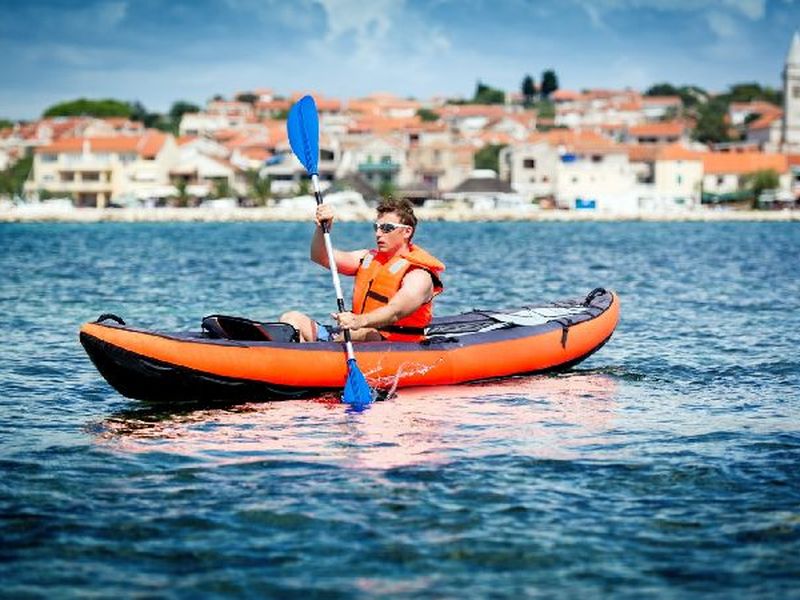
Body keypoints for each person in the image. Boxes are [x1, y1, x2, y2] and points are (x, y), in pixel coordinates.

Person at [280, 197, 445, 343]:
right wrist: (322, 229)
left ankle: (321, 353)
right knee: (291, 319)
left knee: (362, 333)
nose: (379, 233)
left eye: (387, 228)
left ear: (407, 231)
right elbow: (321, 256)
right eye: (377, 227)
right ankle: (305, 356)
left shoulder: (419, 275)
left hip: (392, 341)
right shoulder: (367, 258)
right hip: (352, 332)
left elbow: (395, 311)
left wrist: (358, 321)